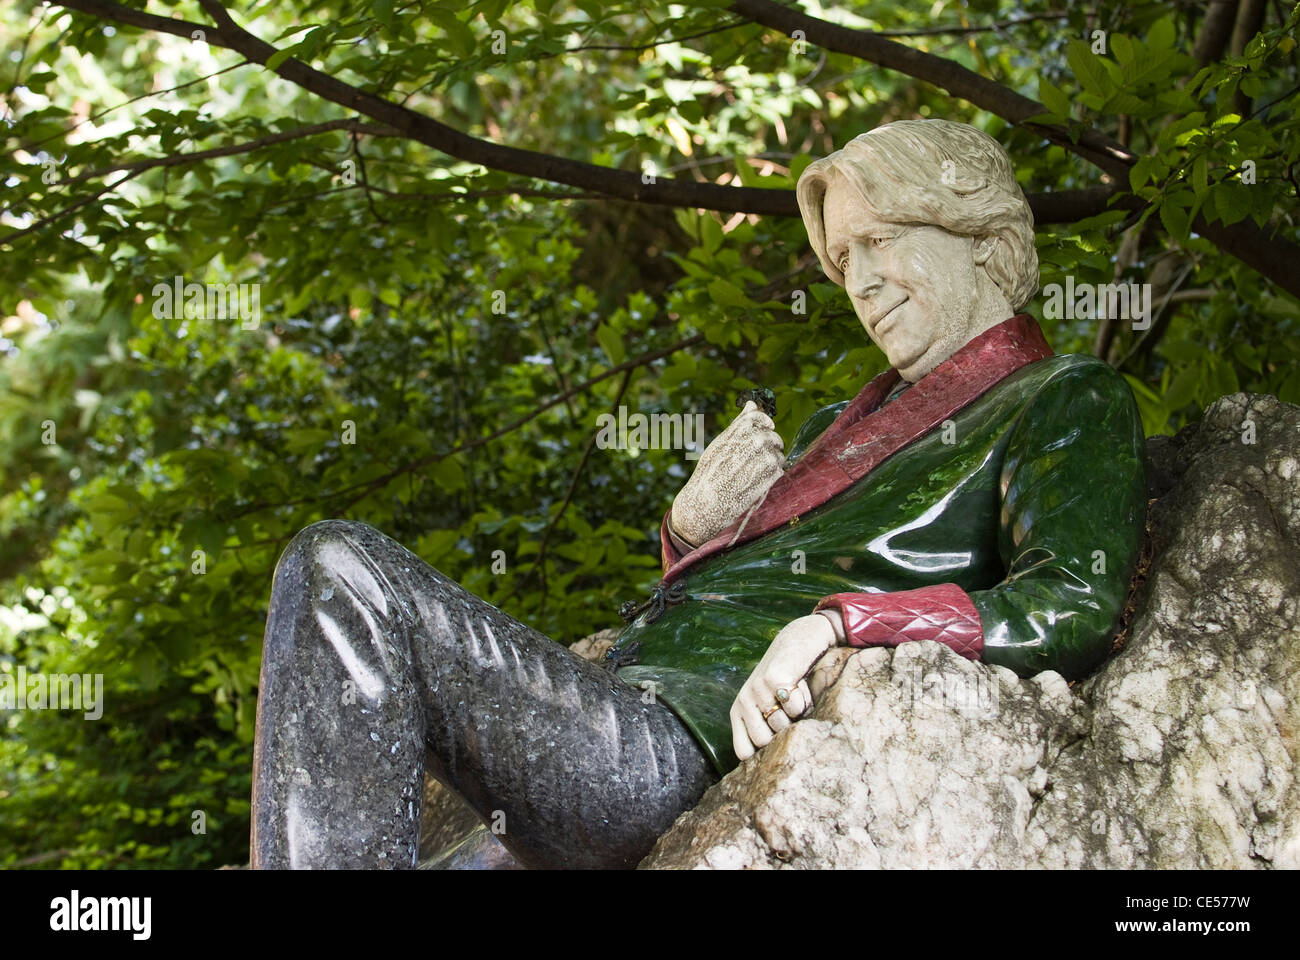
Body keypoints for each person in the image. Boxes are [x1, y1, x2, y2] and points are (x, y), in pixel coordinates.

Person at [250, 119, 1147, 870]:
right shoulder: (839, 423)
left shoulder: (1061, 396)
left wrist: (842, 623)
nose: (861, 283)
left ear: (981, 237)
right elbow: (715, 594)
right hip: (621, 723)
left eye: (879, 241)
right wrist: (689, 530)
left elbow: (1072, 601)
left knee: (343, 570)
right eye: (843, 259)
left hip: (673, 751)